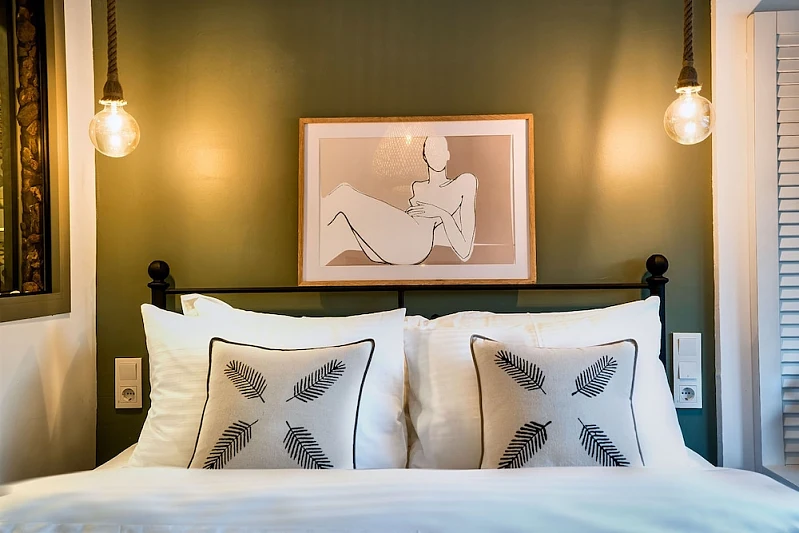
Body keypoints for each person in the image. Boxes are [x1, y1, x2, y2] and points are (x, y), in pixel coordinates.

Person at [321, 136, 478, 266]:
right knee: (339, 222)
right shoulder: (418, 187)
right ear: (425, 156)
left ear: (447, 155)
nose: (436, 155)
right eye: (431, 151)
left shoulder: (464, 182)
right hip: (396, 239)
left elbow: (464, 251)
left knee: (344, 194)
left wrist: (441, 214)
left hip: (416, 244)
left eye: (440, 150)